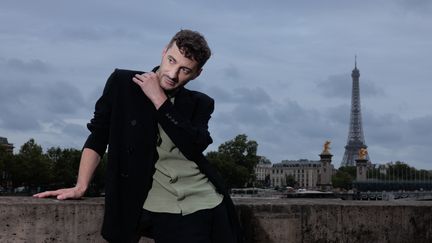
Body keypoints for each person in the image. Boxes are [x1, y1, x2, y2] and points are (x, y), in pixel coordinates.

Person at [34, 29, 243, 243]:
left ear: (197, 73)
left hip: (204, 201)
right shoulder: (123, 83)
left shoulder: (201, 103)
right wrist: (81, 186)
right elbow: (98, 136)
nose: (172, 74)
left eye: (185, 70)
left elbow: (193, 146)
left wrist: (159, 100)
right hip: (152, 203)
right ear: (163, 52)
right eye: (171, 61)